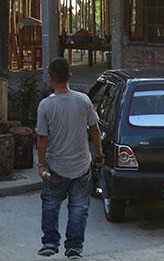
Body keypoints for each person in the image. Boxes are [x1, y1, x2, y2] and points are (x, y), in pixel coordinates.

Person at [36, 58, 103, 259]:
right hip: (82, 166)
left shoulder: (45, 106)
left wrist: (41, 164)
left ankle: (50, 242)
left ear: (50, 78)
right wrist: (98, 154)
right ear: (70, 76)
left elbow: (42, 138)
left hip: (55, 166)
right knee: (79, 208)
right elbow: (95, 130)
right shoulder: (84, 101)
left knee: (50, 204)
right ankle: (74, 248)